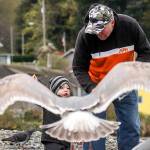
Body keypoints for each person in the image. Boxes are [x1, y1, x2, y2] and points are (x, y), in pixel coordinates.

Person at [72, 3, 150, 150]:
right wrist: (92, 89)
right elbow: (78, 67)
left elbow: (146, 52)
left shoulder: (129, 26)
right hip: (96, 85)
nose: (98, 34)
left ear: (112, 22)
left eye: (102, 29)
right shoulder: (85, 36)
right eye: (95, 30)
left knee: (131, 125)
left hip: (124, 85)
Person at [41, 76, 72, 150]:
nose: (66, 90)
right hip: (52, 140)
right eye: (61, 88)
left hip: (66, 141)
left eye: (68, 88)